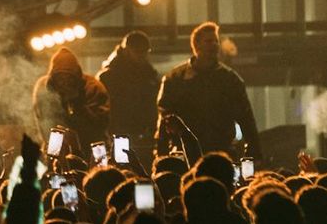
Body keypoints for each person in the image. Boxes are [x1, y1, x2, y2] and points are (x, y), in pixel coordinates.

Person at [155, 23, 260, 158]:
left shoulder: (176, 78)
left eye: (216, 41)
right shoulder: (229, 78)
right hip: (203, 151)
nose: (215, 45)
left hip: (204, 150)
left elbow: (246, 118)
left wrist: (161, 154)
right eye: (209, 41)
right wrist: (254, 151)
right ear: (196, 45)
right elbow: (165, 118)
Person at [32, 47, 110, 160]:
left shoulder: (94, 88)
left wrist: (78, 105)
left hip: (94, 148)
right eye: (60, 78)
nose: (64, 83)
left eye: (69, 78)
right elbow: (45, 122)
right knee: (56, 175)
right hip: (56, 146)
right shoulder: (44, 89)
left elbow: (100, 125)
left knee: (99, 176)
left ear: (76, 77)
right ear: (53, 78)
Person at [98, 31, 161, 156]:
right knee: (130, 166)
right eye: (139, 51)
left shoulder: (109, 76)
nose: (142, 55)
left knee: (124, 166)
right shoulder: (149, 76)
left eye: (144, 52)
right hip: (125, 133)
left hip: (131, 134)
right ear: (127, 50)